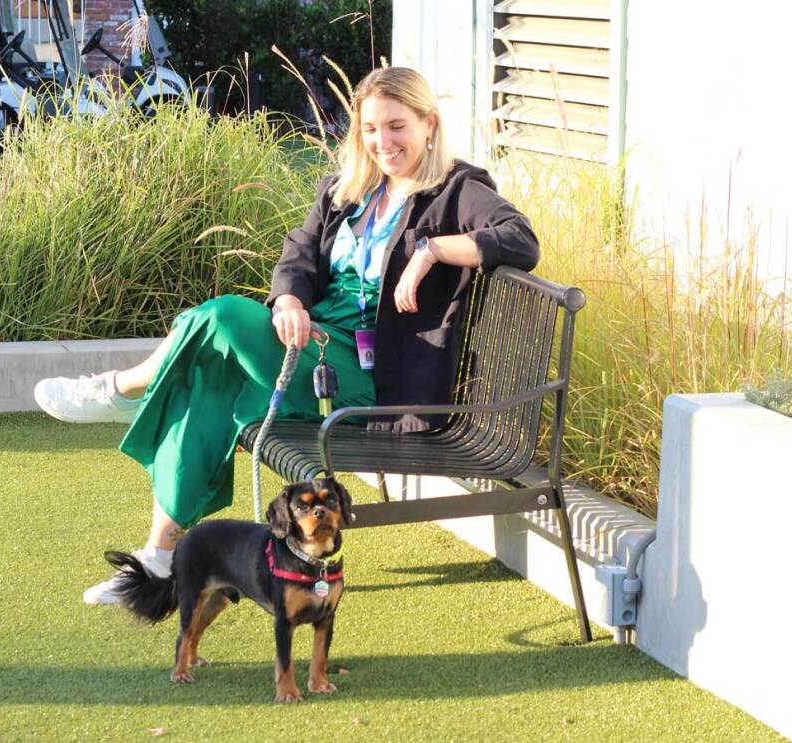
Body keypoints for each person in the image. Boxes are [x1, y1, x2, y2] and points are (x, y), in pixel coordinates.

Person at [33, 66, 539, 605]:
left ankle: (123, 389)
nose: (382, 142)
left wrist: (431, 250)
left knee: (223, 315)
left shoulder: (457, 190)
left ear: (428, 124)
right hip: (315, 349)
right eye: (370, 128)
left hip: (373, 378)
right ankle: (159, 557)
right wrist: (290, 301)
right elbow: (298, 254)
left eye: (397, 126)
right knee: (212, 377)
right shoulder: (348, 190)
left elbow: (520, 239)